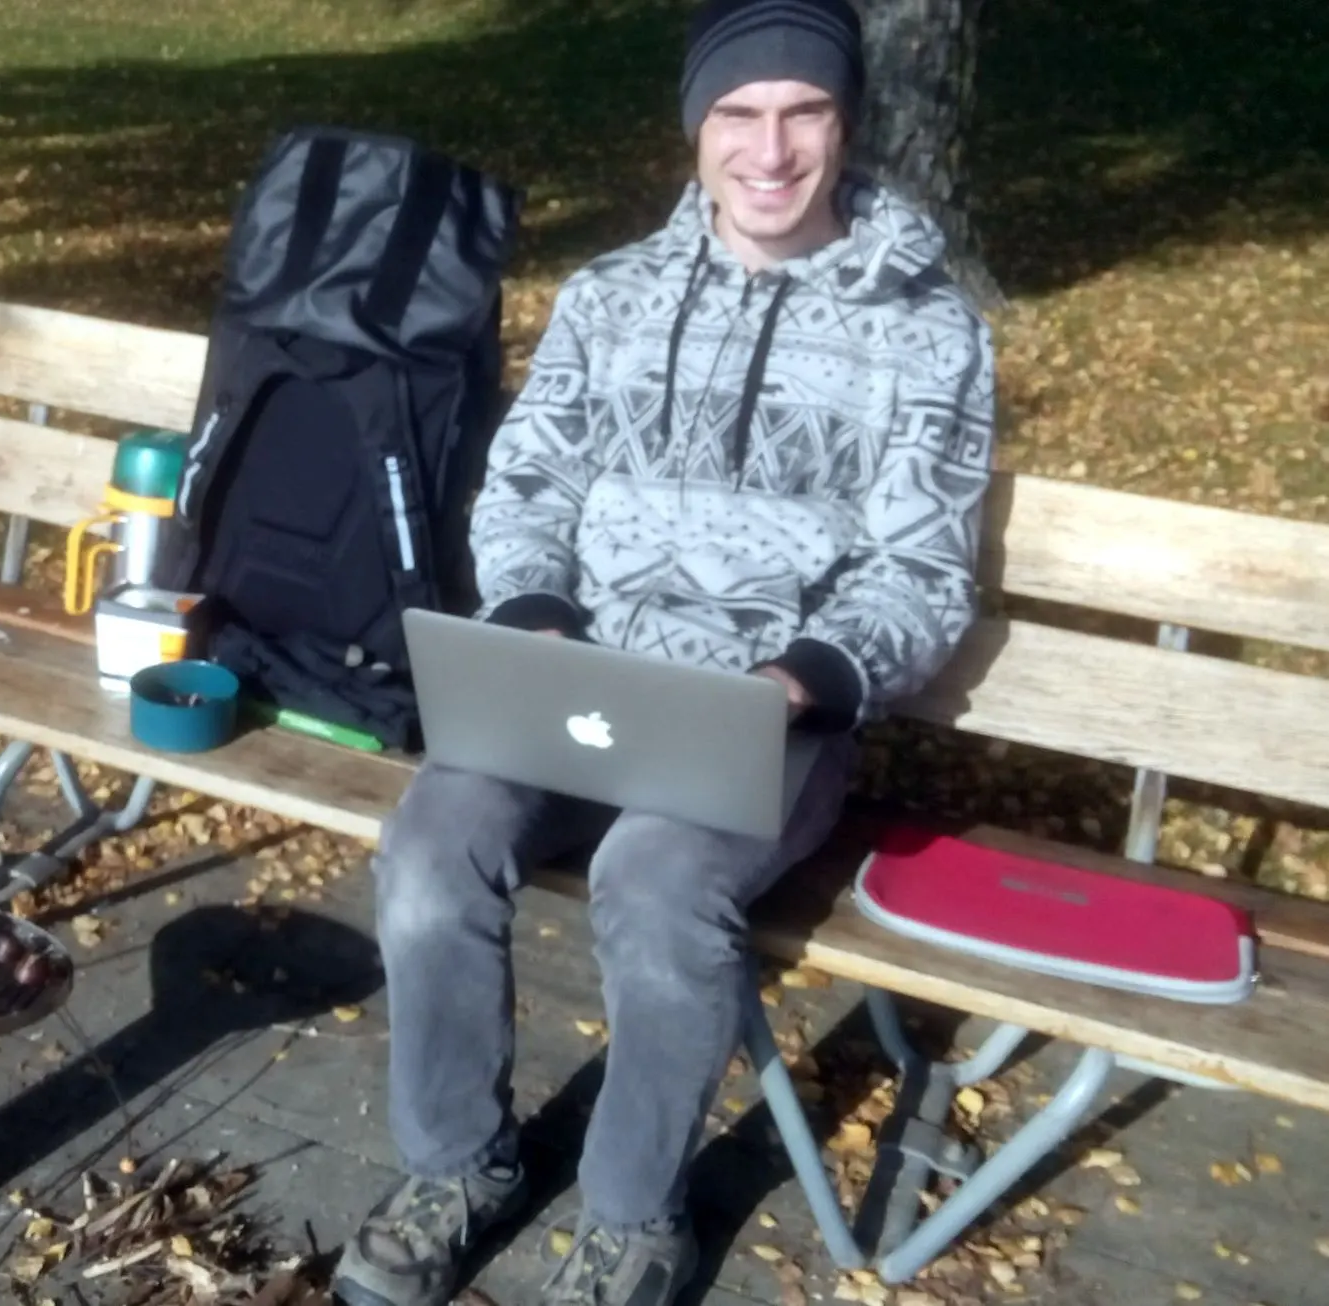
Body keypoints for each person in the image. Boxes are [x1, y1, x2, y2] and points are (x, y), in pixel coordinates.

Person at [330, 1, 997, 1303]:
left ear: (843, 123)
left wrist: (802, 675)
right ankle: (459, 1162)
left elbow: (921, 569)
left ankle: (630, 1212)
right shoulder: (612, 296)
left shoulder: (921, 327)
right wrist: (531, 614)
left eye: (802, 111)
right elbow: (525, 483)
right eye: (737, 114)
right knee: (429, 842)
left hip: (766, 719)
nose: (769, 147)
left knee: (650, 876)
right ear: (696, 128)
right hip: (579, 684)